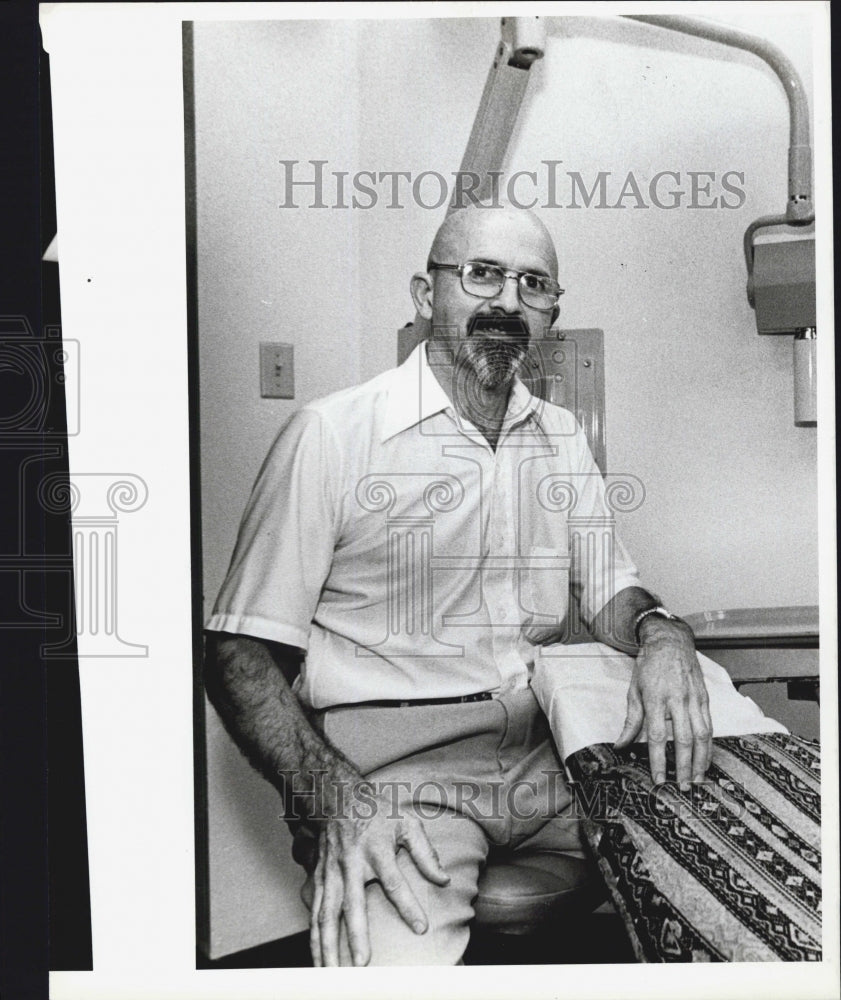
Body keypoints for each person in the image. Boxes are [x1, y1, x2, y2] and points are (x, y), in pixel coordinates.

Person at [203, 202, 713, 967]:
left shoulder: (559, 437)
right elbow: (239, 655)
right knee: (387, 966)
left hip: (550, 758)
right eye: (482, 274)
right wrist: (334, 794)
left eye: (532, 284)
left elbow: (610, 590)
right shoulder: (334, 435)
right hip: (395, 774)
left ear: (550, 314)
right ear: (424, 293)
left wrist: (663, 634)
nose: (507, 302)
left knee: (737, 861)